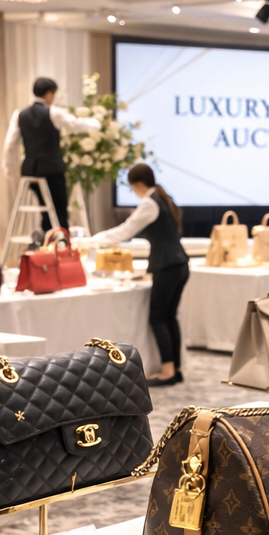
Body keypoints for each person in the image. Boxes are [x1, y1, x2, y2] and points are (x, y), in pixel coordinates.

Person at [80, 164, 190, 386]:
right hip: (179, 264)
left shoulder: (150, 203)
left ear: (139, 184)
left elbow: (126, 230)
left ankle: (168, 371)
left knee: (158, 317)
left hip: (167, 266)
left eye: (132, 187)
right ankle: (176, 369)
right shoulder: (163, 199)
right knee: (169, 317)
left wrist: (91, 241)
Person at [1, 77, 100, 234]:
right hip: (51, 170)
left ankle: (46, 235)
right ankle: (60, 241)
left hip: (30, 170)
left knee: (46, 208)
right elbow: (74, 124)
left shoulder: (19, 115)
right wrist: (95, 124)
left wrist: (7, 166)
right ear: (49, 93)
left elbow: (10, 143)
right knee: (59, 209)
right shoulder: (53, 113)